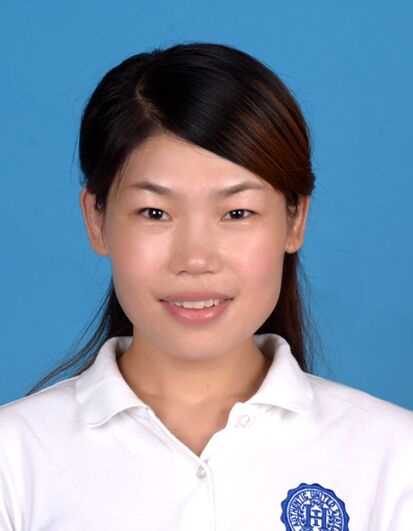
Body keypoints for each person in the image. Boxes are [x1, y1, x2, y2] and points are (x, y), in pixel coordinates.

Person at [0, 41, 412, 531]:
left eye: (237, 213)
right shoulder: (15, 460)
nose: (195, 259)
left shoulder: (393, 460)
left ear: (295, 219)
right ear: (96, 219)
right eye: (155, 212)